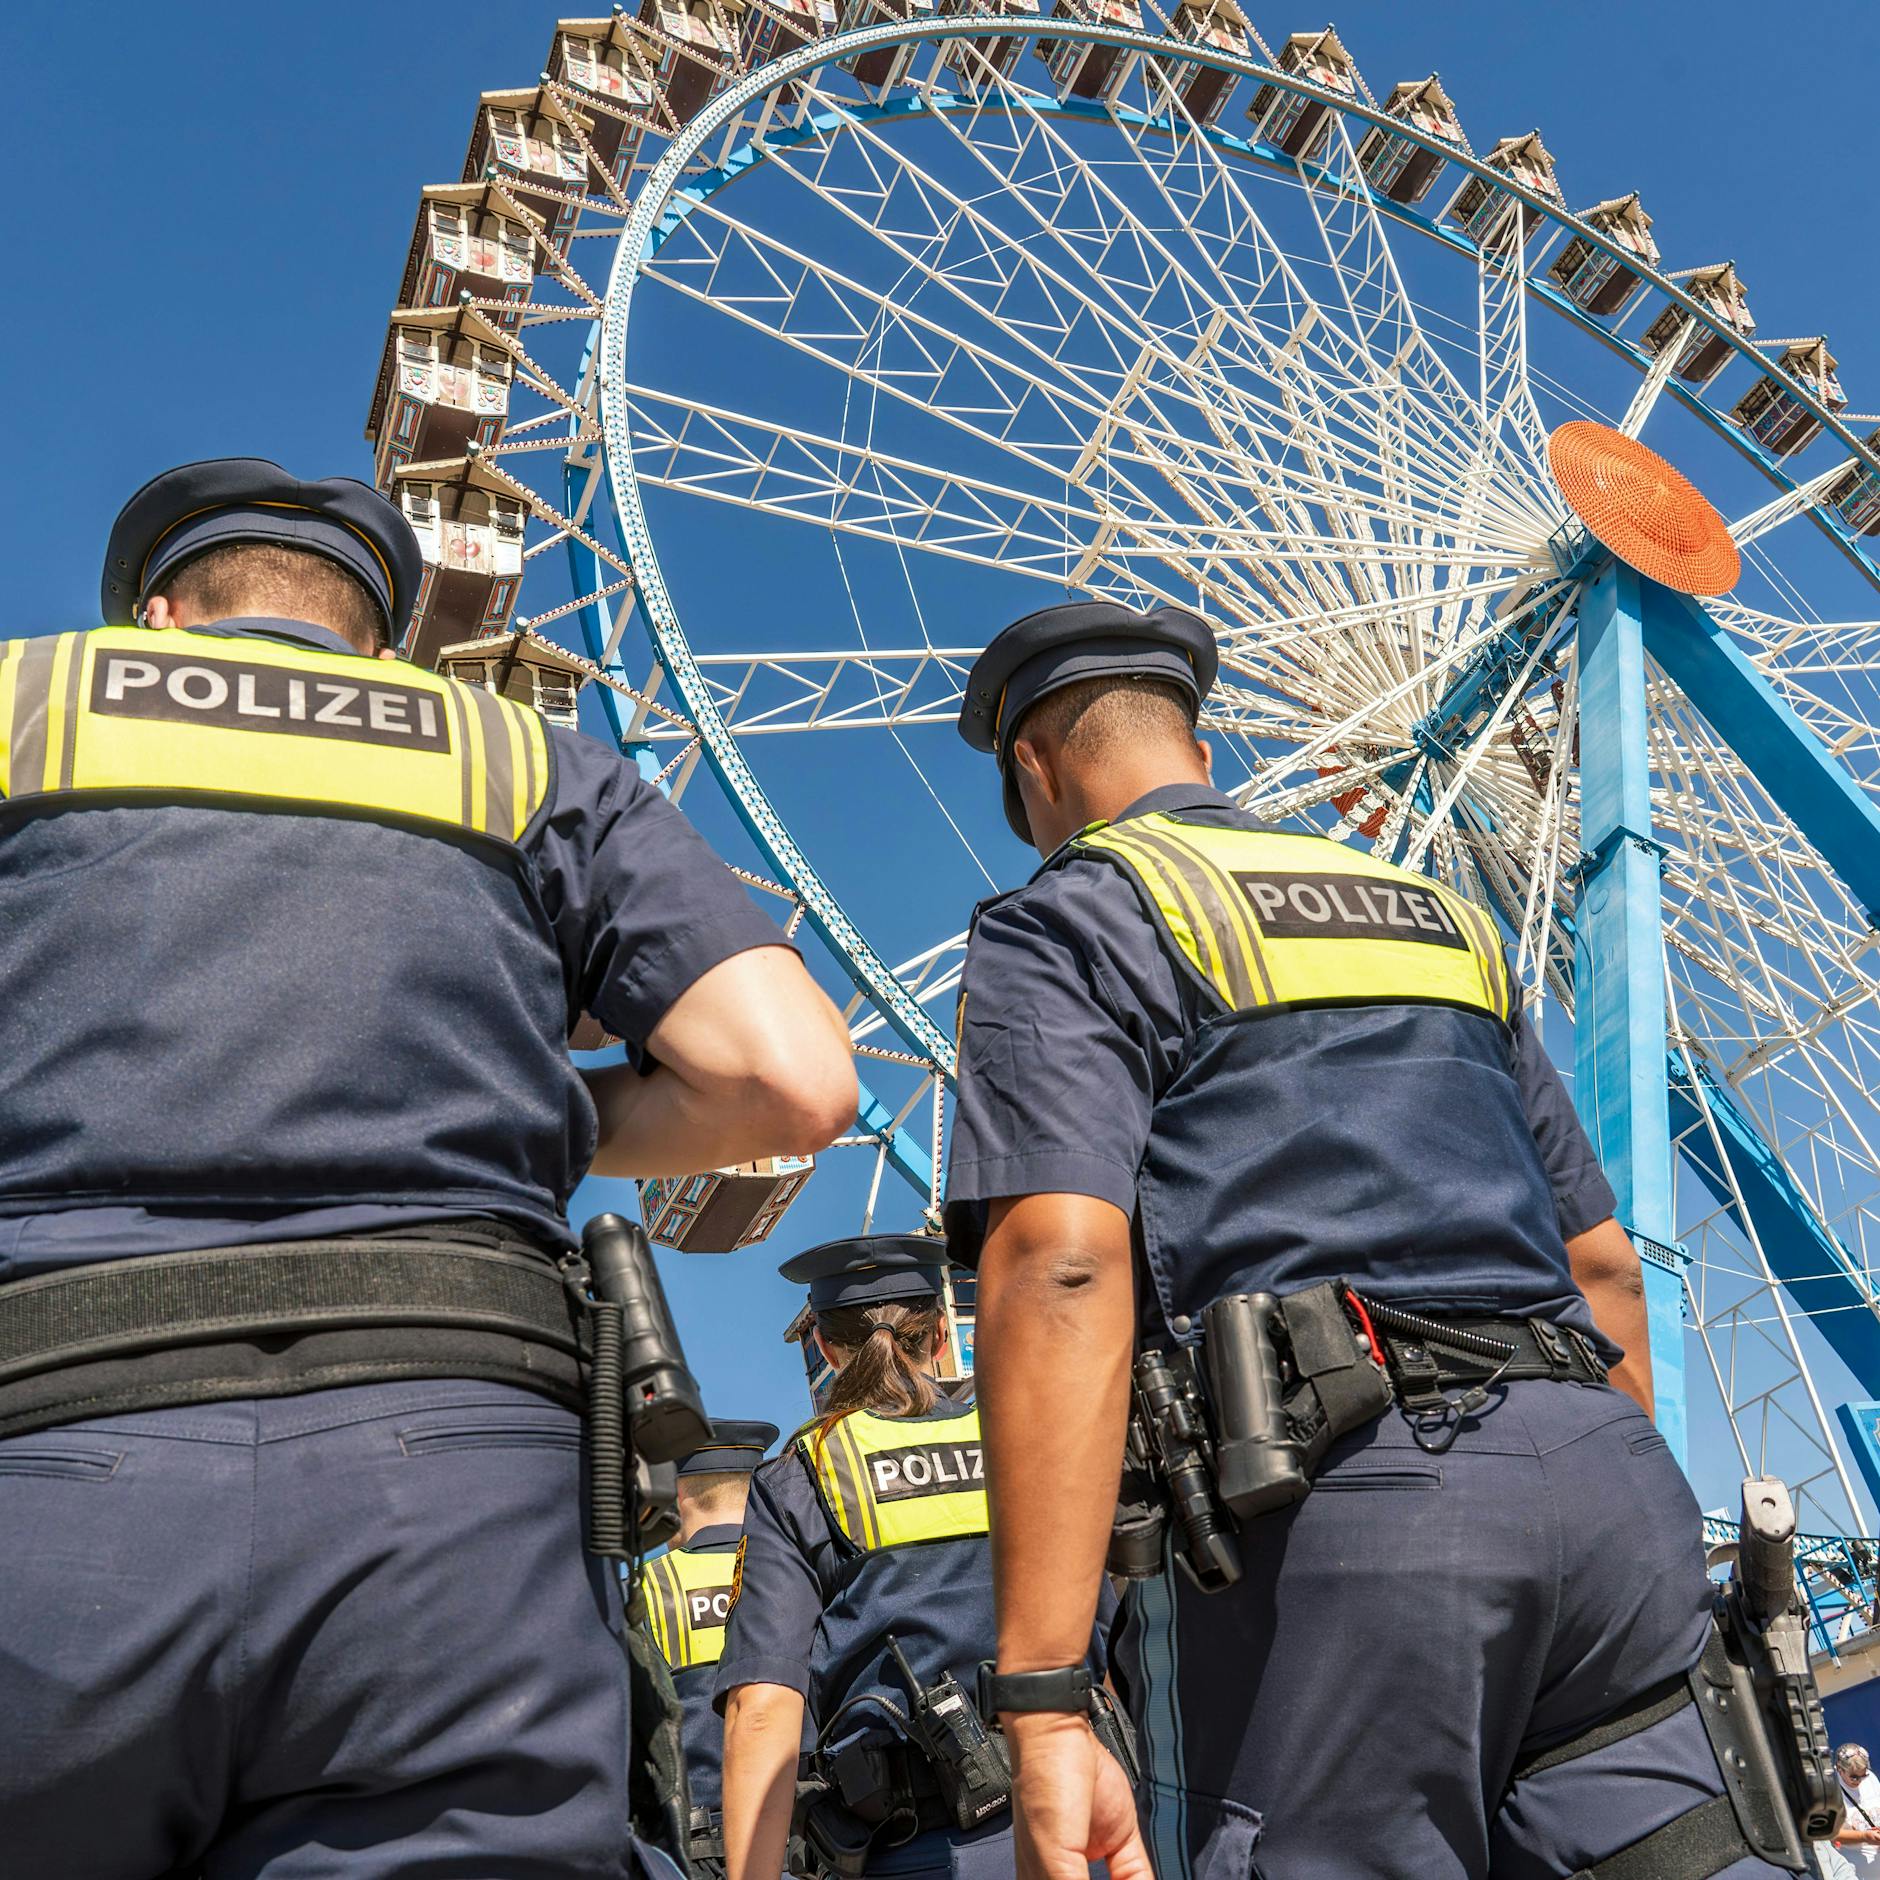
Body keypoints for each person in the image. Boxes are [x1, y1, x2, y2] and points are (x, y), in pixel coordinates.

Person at [0, 458, 857, 1878]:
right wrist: (536, 1110)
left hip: (55, 1436)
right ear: (383, 645)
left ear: (155, 615)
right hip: (455, 1499)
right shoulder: (514, 757)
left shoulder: (30, 705)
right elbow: (797, 1077)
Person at [944, 596, 1790, 1880]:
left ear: (1034, 767)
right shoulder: (1440, 914)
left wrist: (1048, 1697)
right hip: (1608, 1485)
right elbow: (1603, 1264)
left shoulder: (1078, 913)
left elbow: (1060, 1259)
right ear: (1198, 742)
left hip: (1337, 1523)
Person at [714, 1235, 1119, 1880]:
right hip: (1080, 1823)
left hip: (917, 1847)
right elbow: (1112, 1641)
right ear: (939, 1332)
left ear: (824, 1346)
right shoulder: (1028, 1433)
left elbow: (763, 1708)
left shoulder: (803, 1477)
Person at [643, 1417, 781, 1878]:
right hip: (807, 1838)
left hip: (700, 1852)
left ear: (678, 1495)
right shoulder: (798, 1576)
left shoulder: (645, 1589)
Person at [1837, 1745, 1880, 1866]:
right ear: (1840, 1769)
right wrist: (1864, 1836)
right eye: (1854, 1777)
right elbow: (1833, 1834)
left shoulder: (1870, 1777)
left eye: (1863, 1775)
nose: (1860, 1781)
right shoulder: (1831, 1791)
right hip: (1854, 1860)